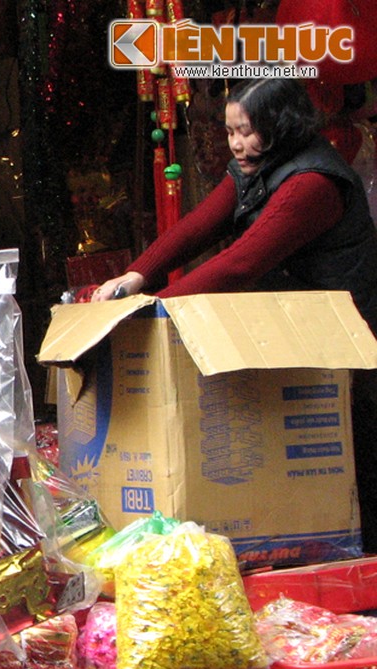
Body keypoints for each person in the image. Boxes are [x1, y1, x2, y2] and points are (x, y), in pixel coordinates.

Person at [89, 77, 377, 554]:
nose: (237, 144)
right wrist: (136, 277)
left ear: (282, 126)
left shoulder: (312, 182)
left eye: (249, 131)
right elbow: (199, 227)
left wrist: (154, 309)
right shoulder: (255, 165)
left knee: (353, 465)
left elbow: (240, 261)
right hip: (296, 330)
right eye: (230, 132)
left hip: (346, 342)